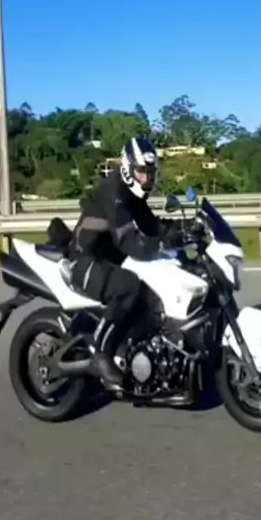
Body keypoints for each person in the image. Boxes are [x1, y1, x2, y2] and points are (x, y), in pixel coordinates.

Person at [67, 136, 182, 391]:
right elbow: (128, 239)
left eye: (150, 172)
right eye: (141, 171)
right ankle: (101, 353)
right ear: (128, 167)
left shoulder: (132, 195)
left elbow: (151, 225)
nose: (146, 178)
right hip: (85, 260)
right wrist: (158, 245)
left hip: (109, 259)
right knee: (128, 285)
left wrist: (181, 230)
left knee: (151, 290)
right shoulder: (114, 191)